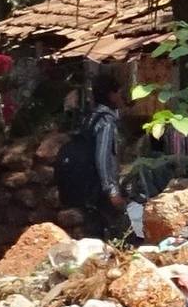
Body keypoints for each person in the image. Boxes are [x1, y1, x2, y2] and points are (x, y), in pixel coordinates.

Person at [54, 73, 132, 241]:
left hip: (84, 185)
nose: (122, 97)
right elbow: (103, 158)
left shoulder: (90, 117)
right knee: (119, 228)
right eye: (119, 93)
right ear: (111, 95)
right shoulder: (106, 122)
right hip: (98, 188)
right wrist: (112, 191)